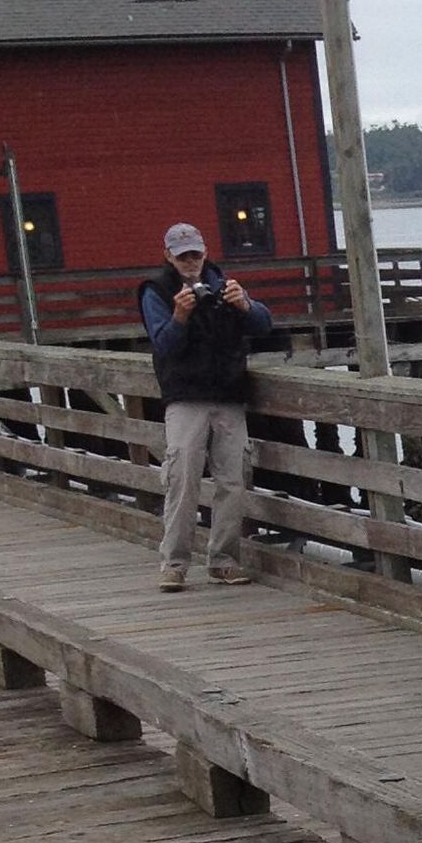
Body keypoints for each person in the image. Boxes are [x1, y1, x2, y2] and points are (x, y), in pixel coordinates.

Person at [139, 221, 276, 591]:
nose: (190, 261)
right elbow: (163, 344)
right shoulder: (156, 290)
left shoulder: (225, 285)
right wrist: (180, 316)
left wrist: (245, 305)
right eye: (182, 255)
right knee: (182, 481)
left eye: (195, 253)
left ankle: (224, 560)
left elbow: (264, 325)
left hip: (229, 395)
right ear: (168, 256)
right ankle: (174, 564)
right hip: (185, 398)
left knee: (233, 481)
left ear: (205, 252)